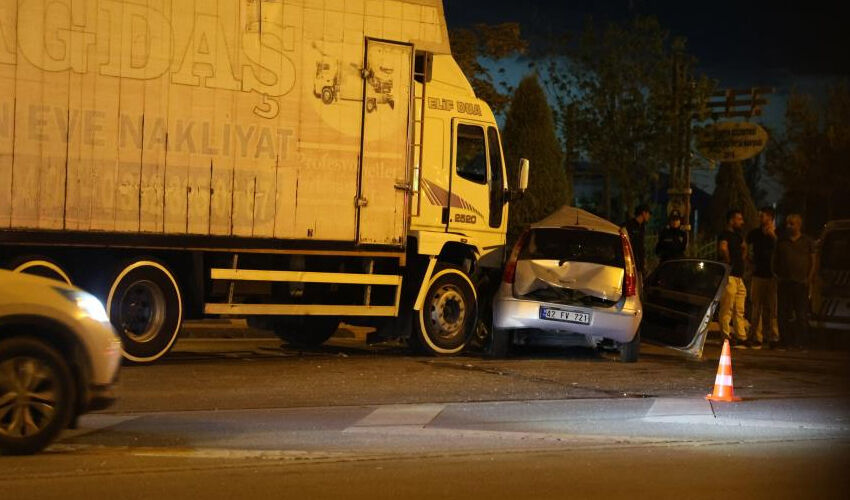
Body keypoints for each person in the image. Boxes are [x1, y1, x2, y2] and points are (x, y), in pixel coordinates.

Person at [775, 214, 815, 350]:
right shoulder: (782, 241)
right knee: (783, 314)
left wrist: (809, 278)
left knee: (801, 314)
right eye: (787, 223)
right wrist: (777, 276)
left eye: (791, 224)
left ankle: (801, 342)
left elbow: (814, 260)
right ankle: (785, 341)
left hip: (800, 283)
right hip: (785, 283)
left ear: (798, 225)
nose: (788, 226)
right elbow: (775, 260)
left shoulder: (807, 241)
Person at [746, 206, 779, 350]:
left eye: (763, 216)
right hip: (758, 275)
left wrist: (773, 236)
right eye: (760, 215)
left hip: (773, 276)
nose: (760, 218)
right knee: (756, 307)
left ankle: (773, 337)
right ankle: (756, 337)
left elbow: (782, 250)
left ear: (771, 218)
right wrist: (748, 262)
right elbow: (745, 247)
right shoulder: (754, 234)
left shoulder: (778, 235)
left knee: (772, 309)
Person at [718, 209, 748, 348]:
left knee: (739, 307)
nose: (741, 222)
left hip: (738, 276)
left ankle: (741, 336)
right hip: (730, 275)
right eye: (739, 219)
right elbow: (723, 248)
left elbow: (744, 247)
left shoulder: (738, 235)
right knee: (727, 307)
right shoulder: (725, 234)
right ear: (731, 220)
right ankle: (726, 336)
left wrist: (741, 259)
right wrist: (729, 261)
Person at [624, 204, 651, 276]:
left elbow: (641, 245)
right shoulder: (629, 225)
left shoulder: (642, 226)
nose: (649, 216)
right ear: (643, 213)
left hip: (639, 263)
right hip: (630, 261)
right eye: (648, 213)